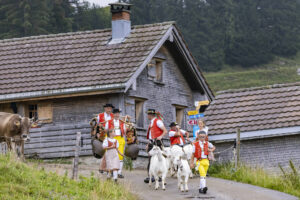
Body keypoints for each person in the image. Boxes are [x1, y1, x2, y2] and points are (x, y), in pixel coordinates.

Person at [144, 109, 167, 183]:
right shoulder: (152, 122)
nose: (147, 116)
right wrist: (148, 143)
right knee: (150, 158)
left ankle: (159, 176)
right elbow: (151, 135)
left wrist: (160, 137)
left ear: (151, 115)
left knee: (159, 158)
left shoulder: (157, 121)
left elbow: (165, 131)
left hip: (157, 142)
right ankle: (151, 176)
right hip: (152, 142)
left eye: (148, 114)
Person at [105, 108, 127, 178]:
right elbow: (106, 130)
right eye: (116, 113)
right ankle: (111, 171)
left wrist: (127, 128)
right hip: (112, 139)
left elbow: (125, 131)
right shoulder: (109, 122)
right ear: (113, 114)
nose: (117, 115)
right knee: (111, 155)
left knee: (120, 156)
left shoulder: (122, 122)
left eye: (118, 113)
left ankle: (119, 172)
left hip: (120, 139)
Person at [98, 103, 114, 173]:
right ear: (105, 109)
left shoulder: (113, 116)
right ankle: (104, 168)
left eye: (110, 108)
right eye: (108, 108)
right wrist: (97, 134)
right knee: (106, 151)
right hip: (102, 135)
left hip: (110, 135)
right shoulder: (100, 115)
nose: (109, 110)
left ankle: (103, 168)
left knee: (108, 151)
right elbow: (97, 125)